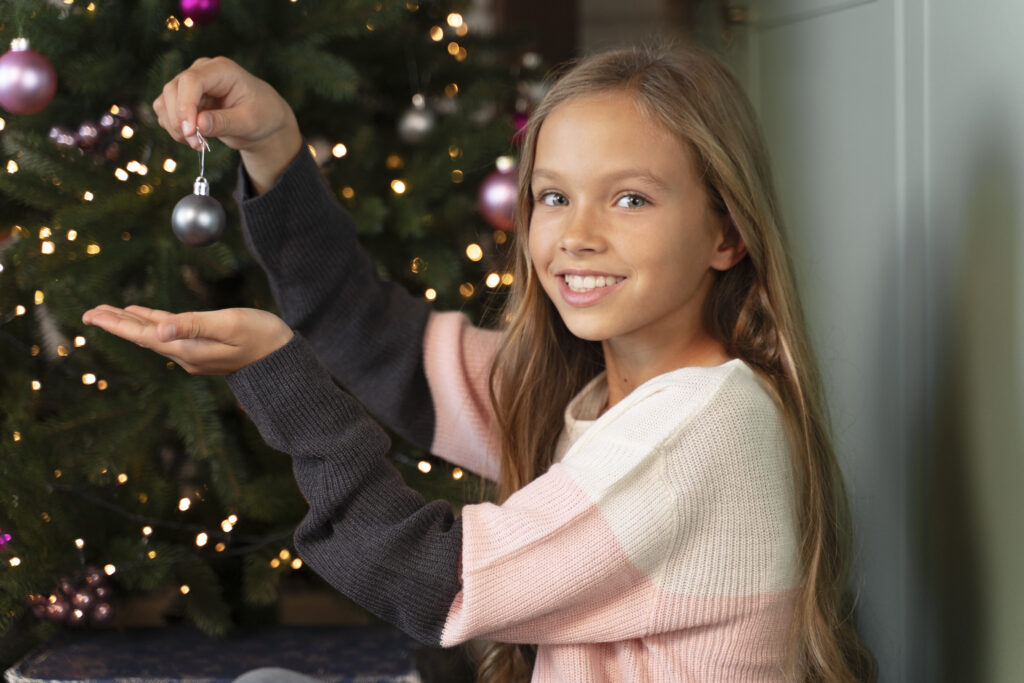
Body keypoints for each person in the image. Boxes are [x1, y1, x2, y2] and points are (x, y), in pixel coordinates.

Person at [82, 44, 876, 682]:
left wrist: (277, 371)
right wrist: (272, 146)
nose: (577, 235)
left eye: (630, 198)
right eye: (554, 197)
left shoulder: (694, 429)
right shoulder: (595, 388)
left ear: (726, 234)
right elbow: (374, 339)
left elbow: (426, 577)